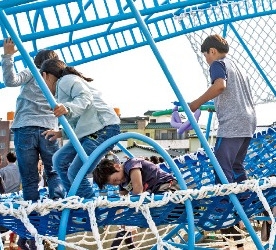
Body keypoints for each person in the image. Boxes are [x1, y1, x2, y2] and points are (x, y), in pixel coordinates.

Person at [189, 34, 257, 250]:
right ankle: (246, 201)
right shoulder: (238, 65)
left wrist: (195, 103)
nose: (207, 61)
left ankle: (224, 212)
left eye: (206, 57)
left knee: (221, 167)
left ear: (211, 51)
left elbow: (219, 86)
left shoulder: (218, 64)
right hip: (248, 122)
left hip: (232, 124)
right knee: (236, 166)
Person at [40, 58, 121, 199]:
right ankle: (74, 198)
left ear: (45, 76)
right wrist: (62, 133)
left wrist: (67, 108)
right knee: (59, 159)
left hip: (103, 129)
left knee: (76, 172)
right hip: (91, 132)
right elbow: (80, 121)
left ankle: (91, 210)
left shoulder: (66, 80)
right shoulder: (62, 88)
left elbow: (85, 97)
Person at [1, 38, 65, 202]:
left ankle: (33, 213)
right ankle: (57, 204)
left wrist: (7, 56)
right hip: (49, 129)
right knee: (53, 171)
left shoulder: (33, 71)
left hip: (25, 127)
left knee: (29, 175)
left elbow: (11, 81)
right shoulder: (59, 80)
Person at [92, 157, 180, 195]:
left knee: (166, 201)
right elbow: (122, 198)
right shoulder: (122, 183)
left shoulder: (131, 165)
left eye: (115, 180)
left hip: (166, 185)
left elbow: (138, 190)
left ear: (117, 167)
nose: (118, 183)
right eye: (113, 184)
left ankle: (192, 209)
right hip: (154, 193)